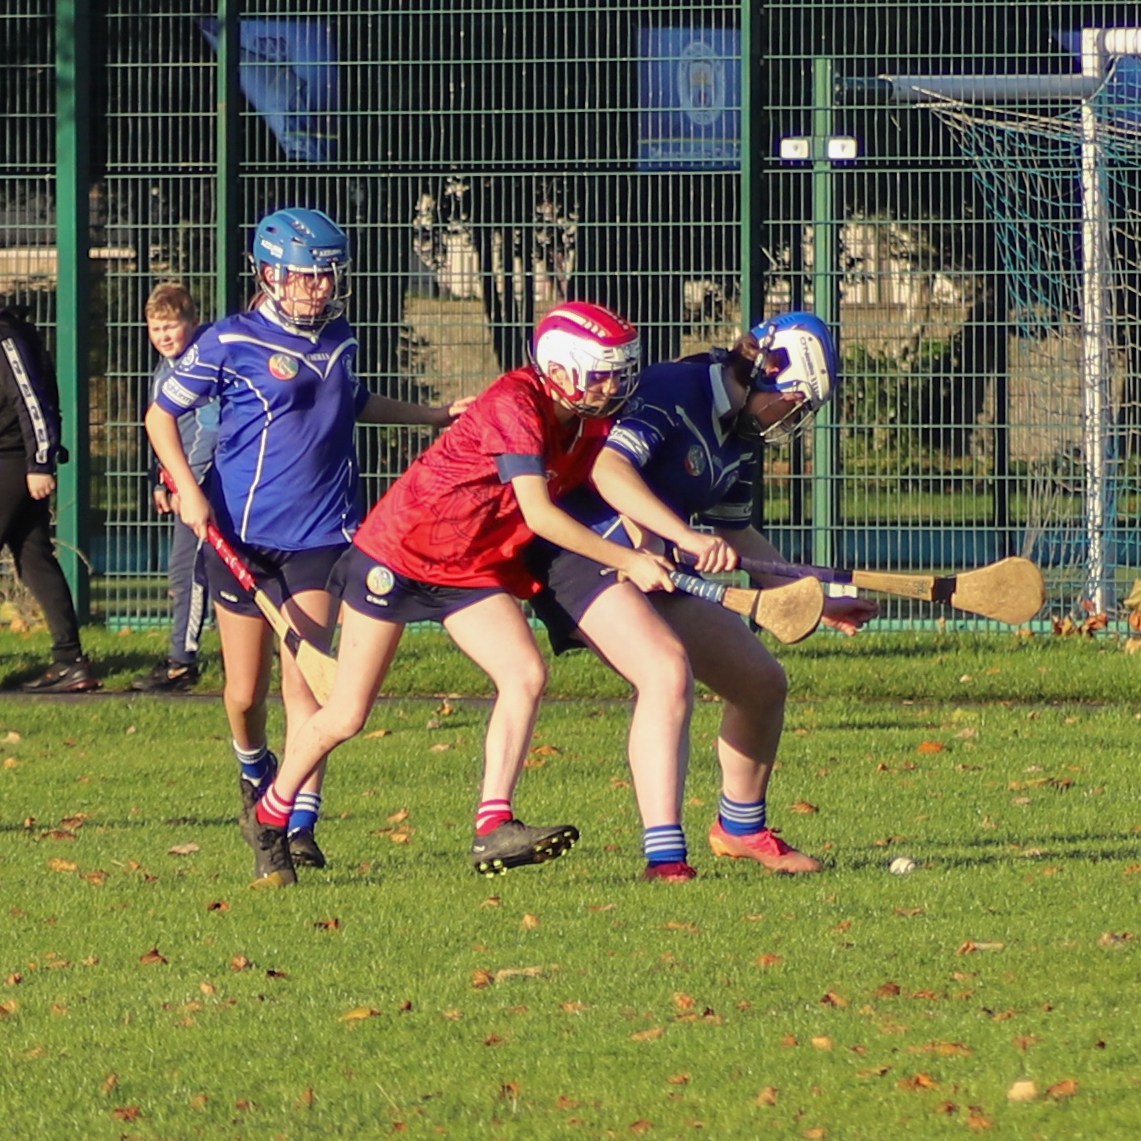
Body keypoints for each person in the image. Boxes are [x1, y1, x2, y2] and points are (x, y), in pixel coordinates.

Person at [238, 300, 707, 888]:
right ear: (559, 369)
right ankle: (270, 813)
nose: (615, 386)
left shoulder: (590, 419)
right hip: (398, 554)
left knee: (525, 673)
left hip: (465, 566)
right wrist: (626, 560)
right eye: (602, 374)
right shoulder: (516, 403)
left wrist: (651, 539)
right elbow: (539, 514)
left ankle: (494, 823)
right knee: (347, 714)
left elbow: (610, 484)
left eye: (619, 373)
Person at [145, 207, 469, 874]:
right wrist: (188, 488)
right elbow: (160, 416)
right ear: (270, 274)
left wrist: (434, 415)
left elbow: (351, 401)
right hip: (242, 536)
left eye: (326, 275)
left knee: (309, 687)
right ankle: (253, 771)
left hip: (322, 536)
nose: (320, 287)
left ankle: (297, 822)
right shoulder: (229, 341)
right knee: (244, 694)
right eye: (306, 276)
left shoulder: (340, 336)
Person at [528, 311, 879, 876]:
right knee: (665, 673)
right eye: (792, 401)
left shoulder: (742, 436)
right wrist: (686, 537)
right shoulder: (674, 388)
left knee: (761, 682)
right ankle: (665, 857)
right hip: (583, 556)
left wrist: (814, 597)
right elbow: (610, 472)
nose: (792, 417)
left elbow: (737, 532)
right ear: (764, 374)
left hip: (655, 566)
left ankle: (740, 828)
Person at [0, 302, 99, 694]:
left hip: (13, 460)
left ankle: (70, 660)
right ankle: (70, 661)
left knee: (35, 557)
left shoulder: (6, 336)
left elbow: (31, 400)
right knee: (34, 557)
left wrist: (40, 462)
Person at [131, 283, 216, 693]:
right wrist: (159, 481)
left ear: (192, 323)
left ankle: (182, 661)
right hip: (182, 483)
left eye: (171, 326)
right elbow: (159, 427)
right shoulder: (164, 369)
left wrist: (189, 483)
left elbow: (209, 430)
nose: (164, 336)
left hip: (204, 485)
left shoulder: (201, 367)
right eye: (156, 328)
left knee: (188, 572)